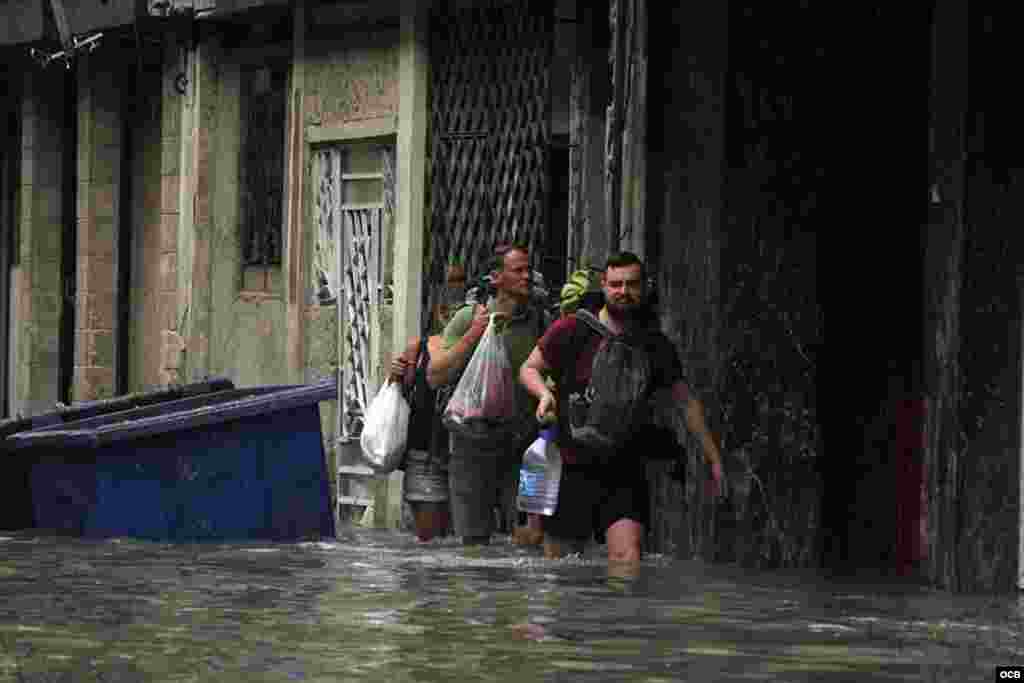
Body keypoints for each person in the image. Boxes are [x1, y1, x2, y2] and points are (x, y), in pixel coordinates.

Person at [519, 251, 724, 562]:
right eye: (616, 284)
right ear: (604, 285)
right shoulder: (571, 329)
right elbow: (529, 368)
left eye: (632, 284)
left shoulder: (655, 345)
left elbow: (685, 402)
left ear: (644, 287)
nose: (623, 291)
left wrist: (713, 458)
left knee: (628, 559)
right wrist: (543, 394)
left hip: (624, 470)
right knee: (560, 568)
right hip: (570, 467)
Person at [427, 243, 545, 545]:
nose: (527, 276)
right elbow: (435, 376)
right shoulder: (470, 317)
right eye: (518, 270)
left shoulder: (539, 321)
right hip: (471, 448)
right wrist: (474, 333)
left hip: (524, 449)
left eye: (528, 270)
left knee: (529, 541)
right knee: (473, 545)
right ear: (495, 278)